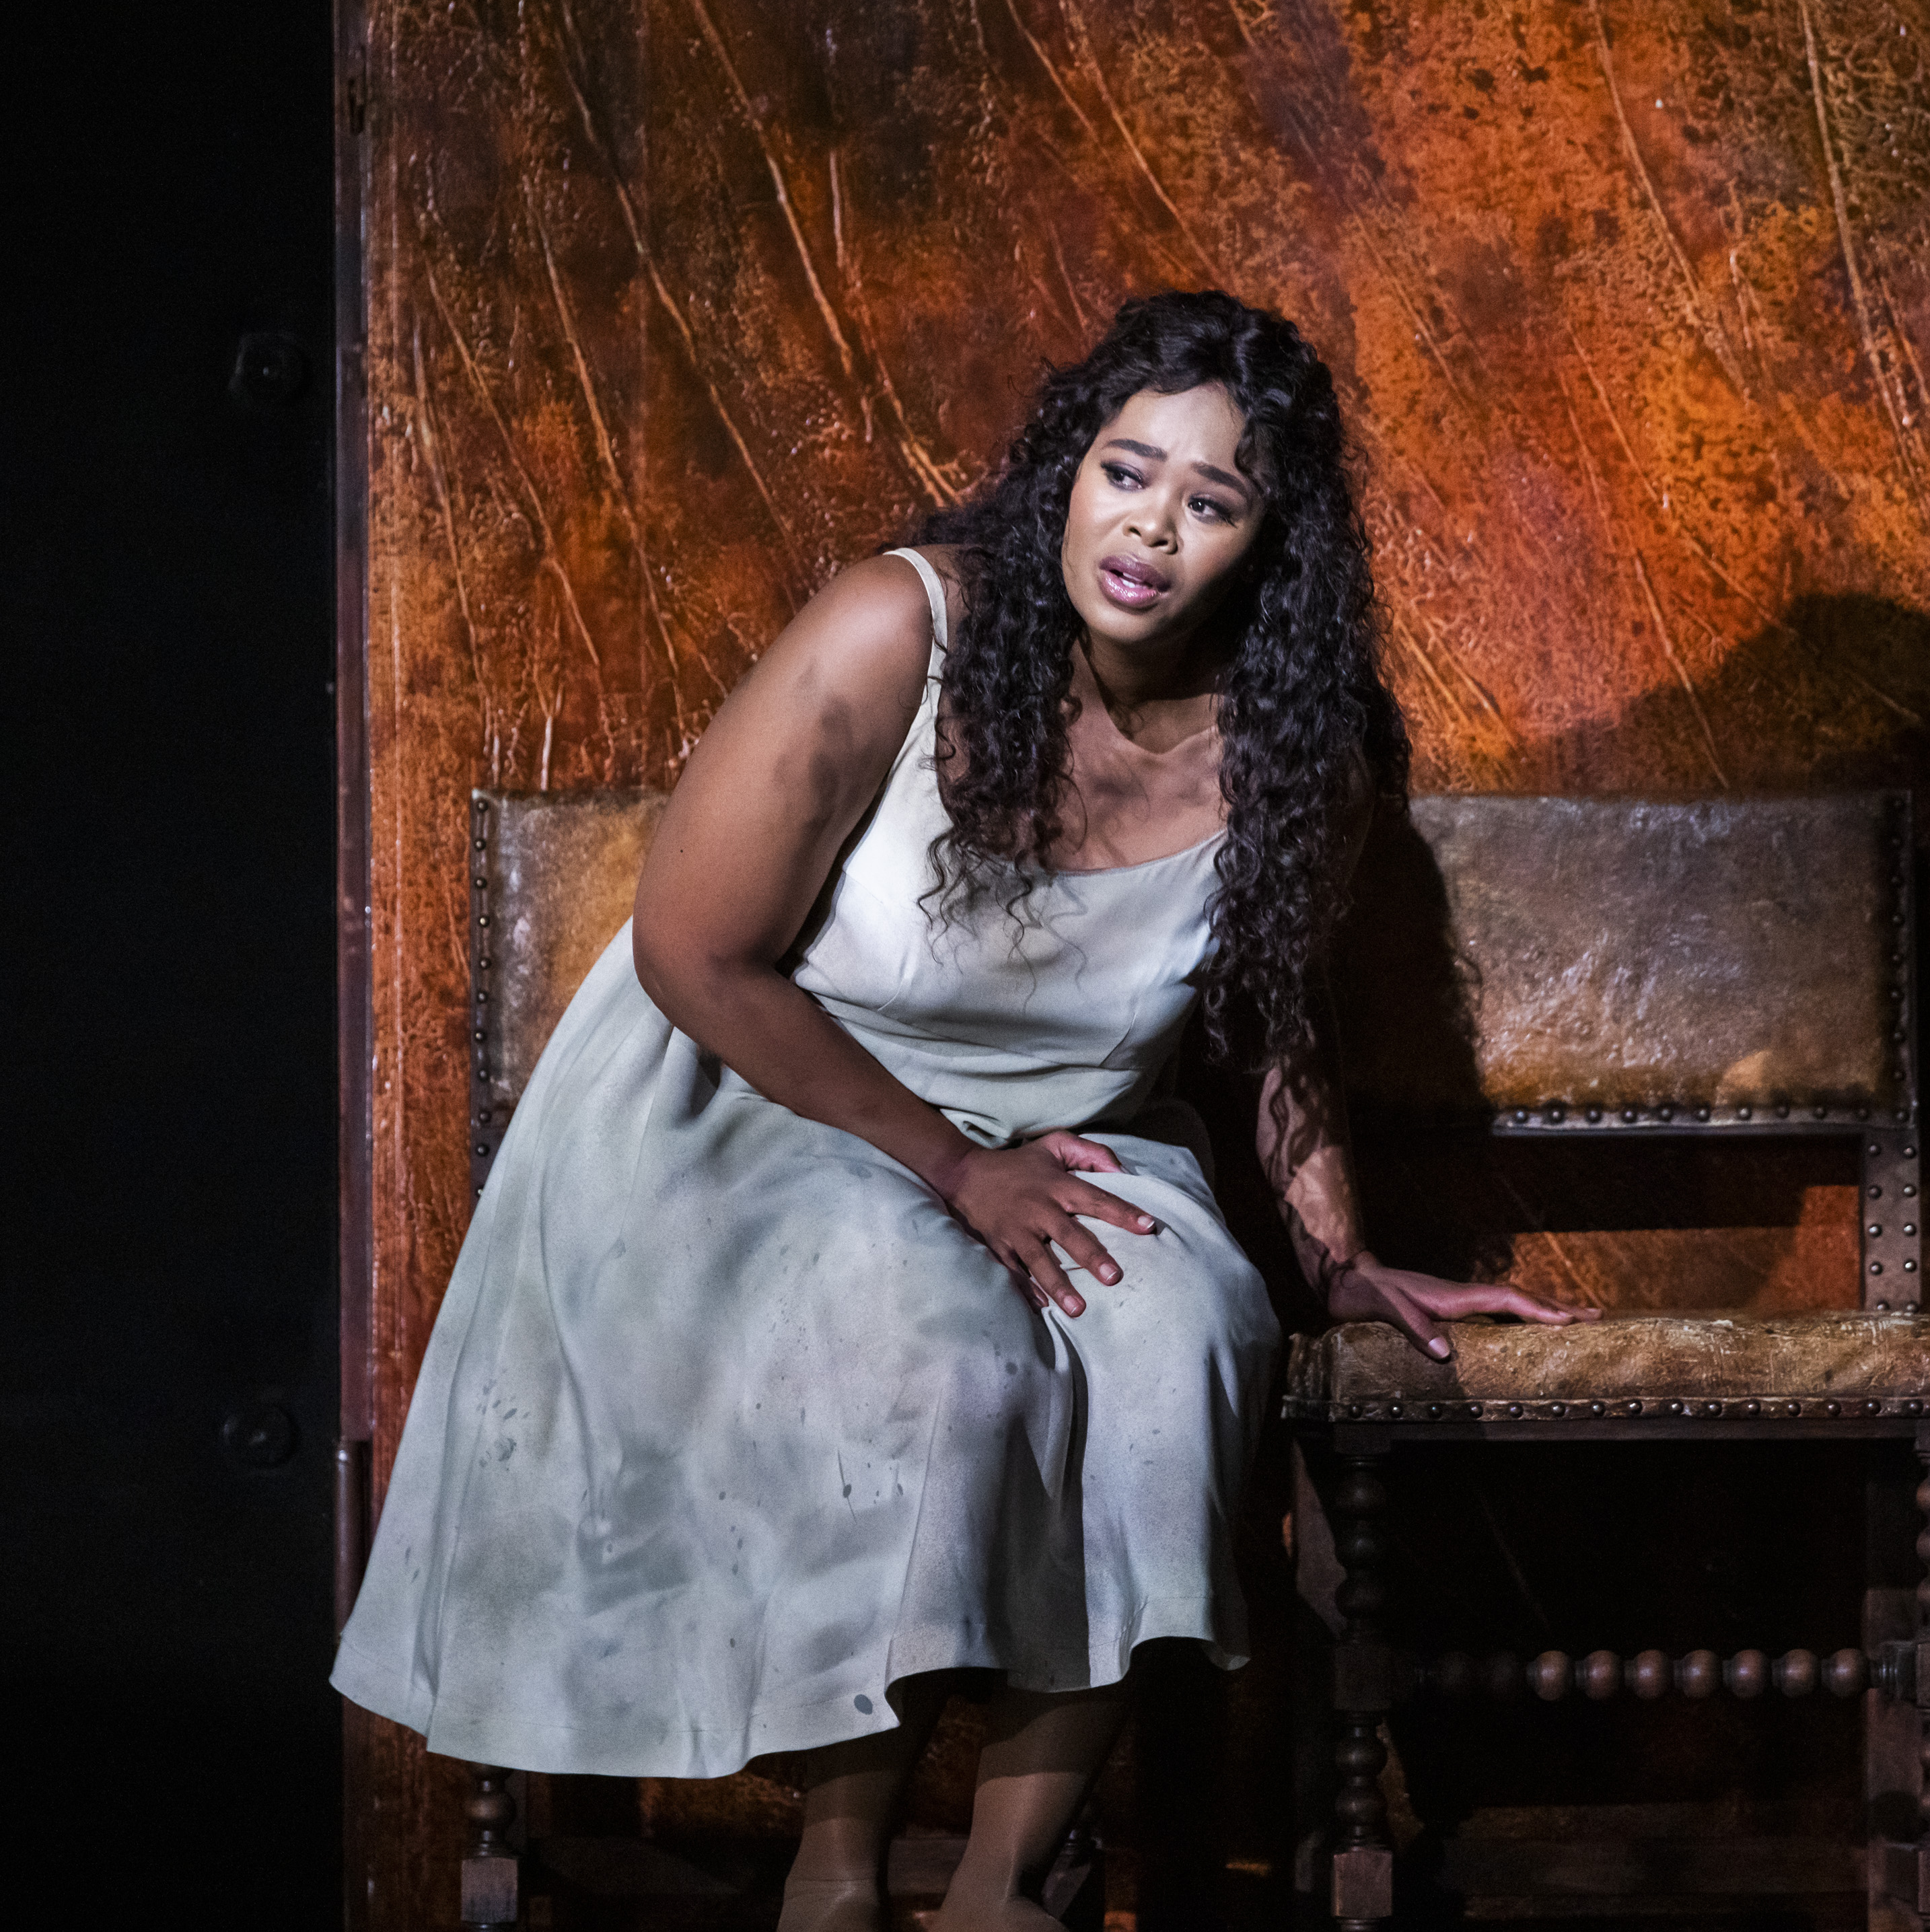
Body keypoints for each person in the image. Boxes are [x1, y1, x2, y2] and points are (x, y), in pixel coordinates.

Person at [332, 290, 1597, 1932]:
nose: (1150, 527)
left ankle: (1002, 1887)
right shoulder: (899, 629)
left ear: (1267, 547)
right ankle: (839, 1875)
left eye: (1211, 502)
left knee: (1192, 1329)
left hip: (1061, 1132)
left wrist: (1337, 1251)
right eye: (1125, 470)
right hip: (764, 1089)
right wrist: (946, 1165)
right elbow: (692, 951)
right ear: (1066, 470)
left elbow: (1280, 1010)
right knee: (951, 1346)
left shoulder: (1292, 747)